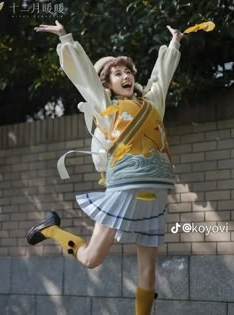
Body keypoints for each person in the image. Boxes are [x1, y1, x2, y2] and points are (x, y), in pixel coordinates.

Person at [27, 20, 184, 315]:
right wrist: (65, 38)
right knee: (91, 259)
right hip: (124, 186)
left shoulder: (152, 104)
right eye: (117, 73)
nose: (125, 76)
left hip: (156, 188)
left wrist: (174, 44)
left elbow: (162, 78)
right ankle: (51, 231)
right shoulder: (105, 107)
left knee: (148, 266)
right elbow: (84, 76)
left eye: (128, 71)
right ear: (107, 83)